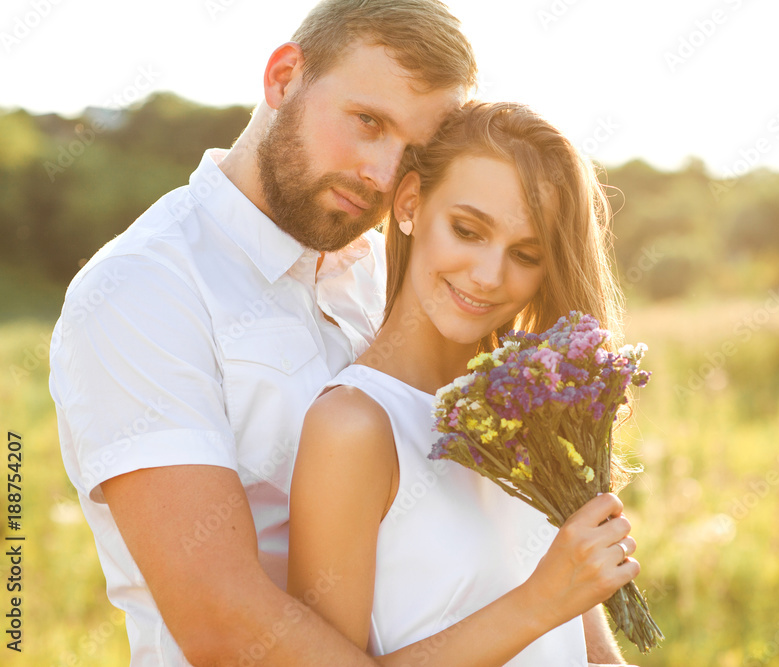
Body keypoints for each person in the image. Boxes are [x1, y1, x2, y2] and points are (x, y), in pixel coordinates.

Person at [48, 1, 476, 664]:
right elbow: (224, 621)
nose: (385, 175)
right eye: (368, 122)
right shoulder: (143, 288)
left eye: (414, 152)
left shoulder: (394, 273)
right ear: (282, 79)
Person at [288, 101, 640, 666]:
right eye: (467, 230)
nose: (488, 275)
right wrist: (539, 602)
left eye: (526, 254)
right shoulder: (353, 426)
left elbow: (586, 649)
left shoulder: (538, 411)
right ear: (409, 203)